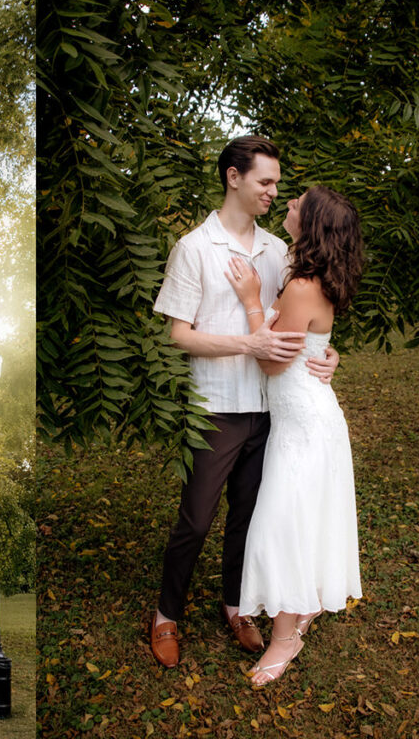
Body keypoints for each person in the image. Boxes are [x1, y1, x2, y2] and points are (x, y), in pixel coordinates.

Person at [149, 136, 340, 669]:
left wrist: (329, 353)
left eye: (278, 183)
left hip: (274, 410)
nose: (274, 192)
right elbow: (178, 335)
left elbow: (303, 318)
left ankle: (237, 606)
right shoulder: (193, 248)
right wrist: (247, 344)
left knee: (250, 517)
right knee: (196, 520)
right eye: (265, 181)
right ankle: (165, 615)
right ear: (233, 177)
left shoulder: (280, 250)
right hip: (216, 405)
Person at [226, 185, 364, 684]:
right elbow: (314, 342)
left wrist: (250, 302)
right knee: (302, 519)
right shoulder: (314, 276)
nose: (287, 204)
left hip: (304, 424)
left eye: (297, 204)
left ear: (312, 224)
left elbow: (271, 360)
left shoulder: (303, 285)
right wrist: (330, 354)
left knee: (283, 523)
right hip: (309, 418)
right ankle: (303, 605)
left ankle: (286, 637)